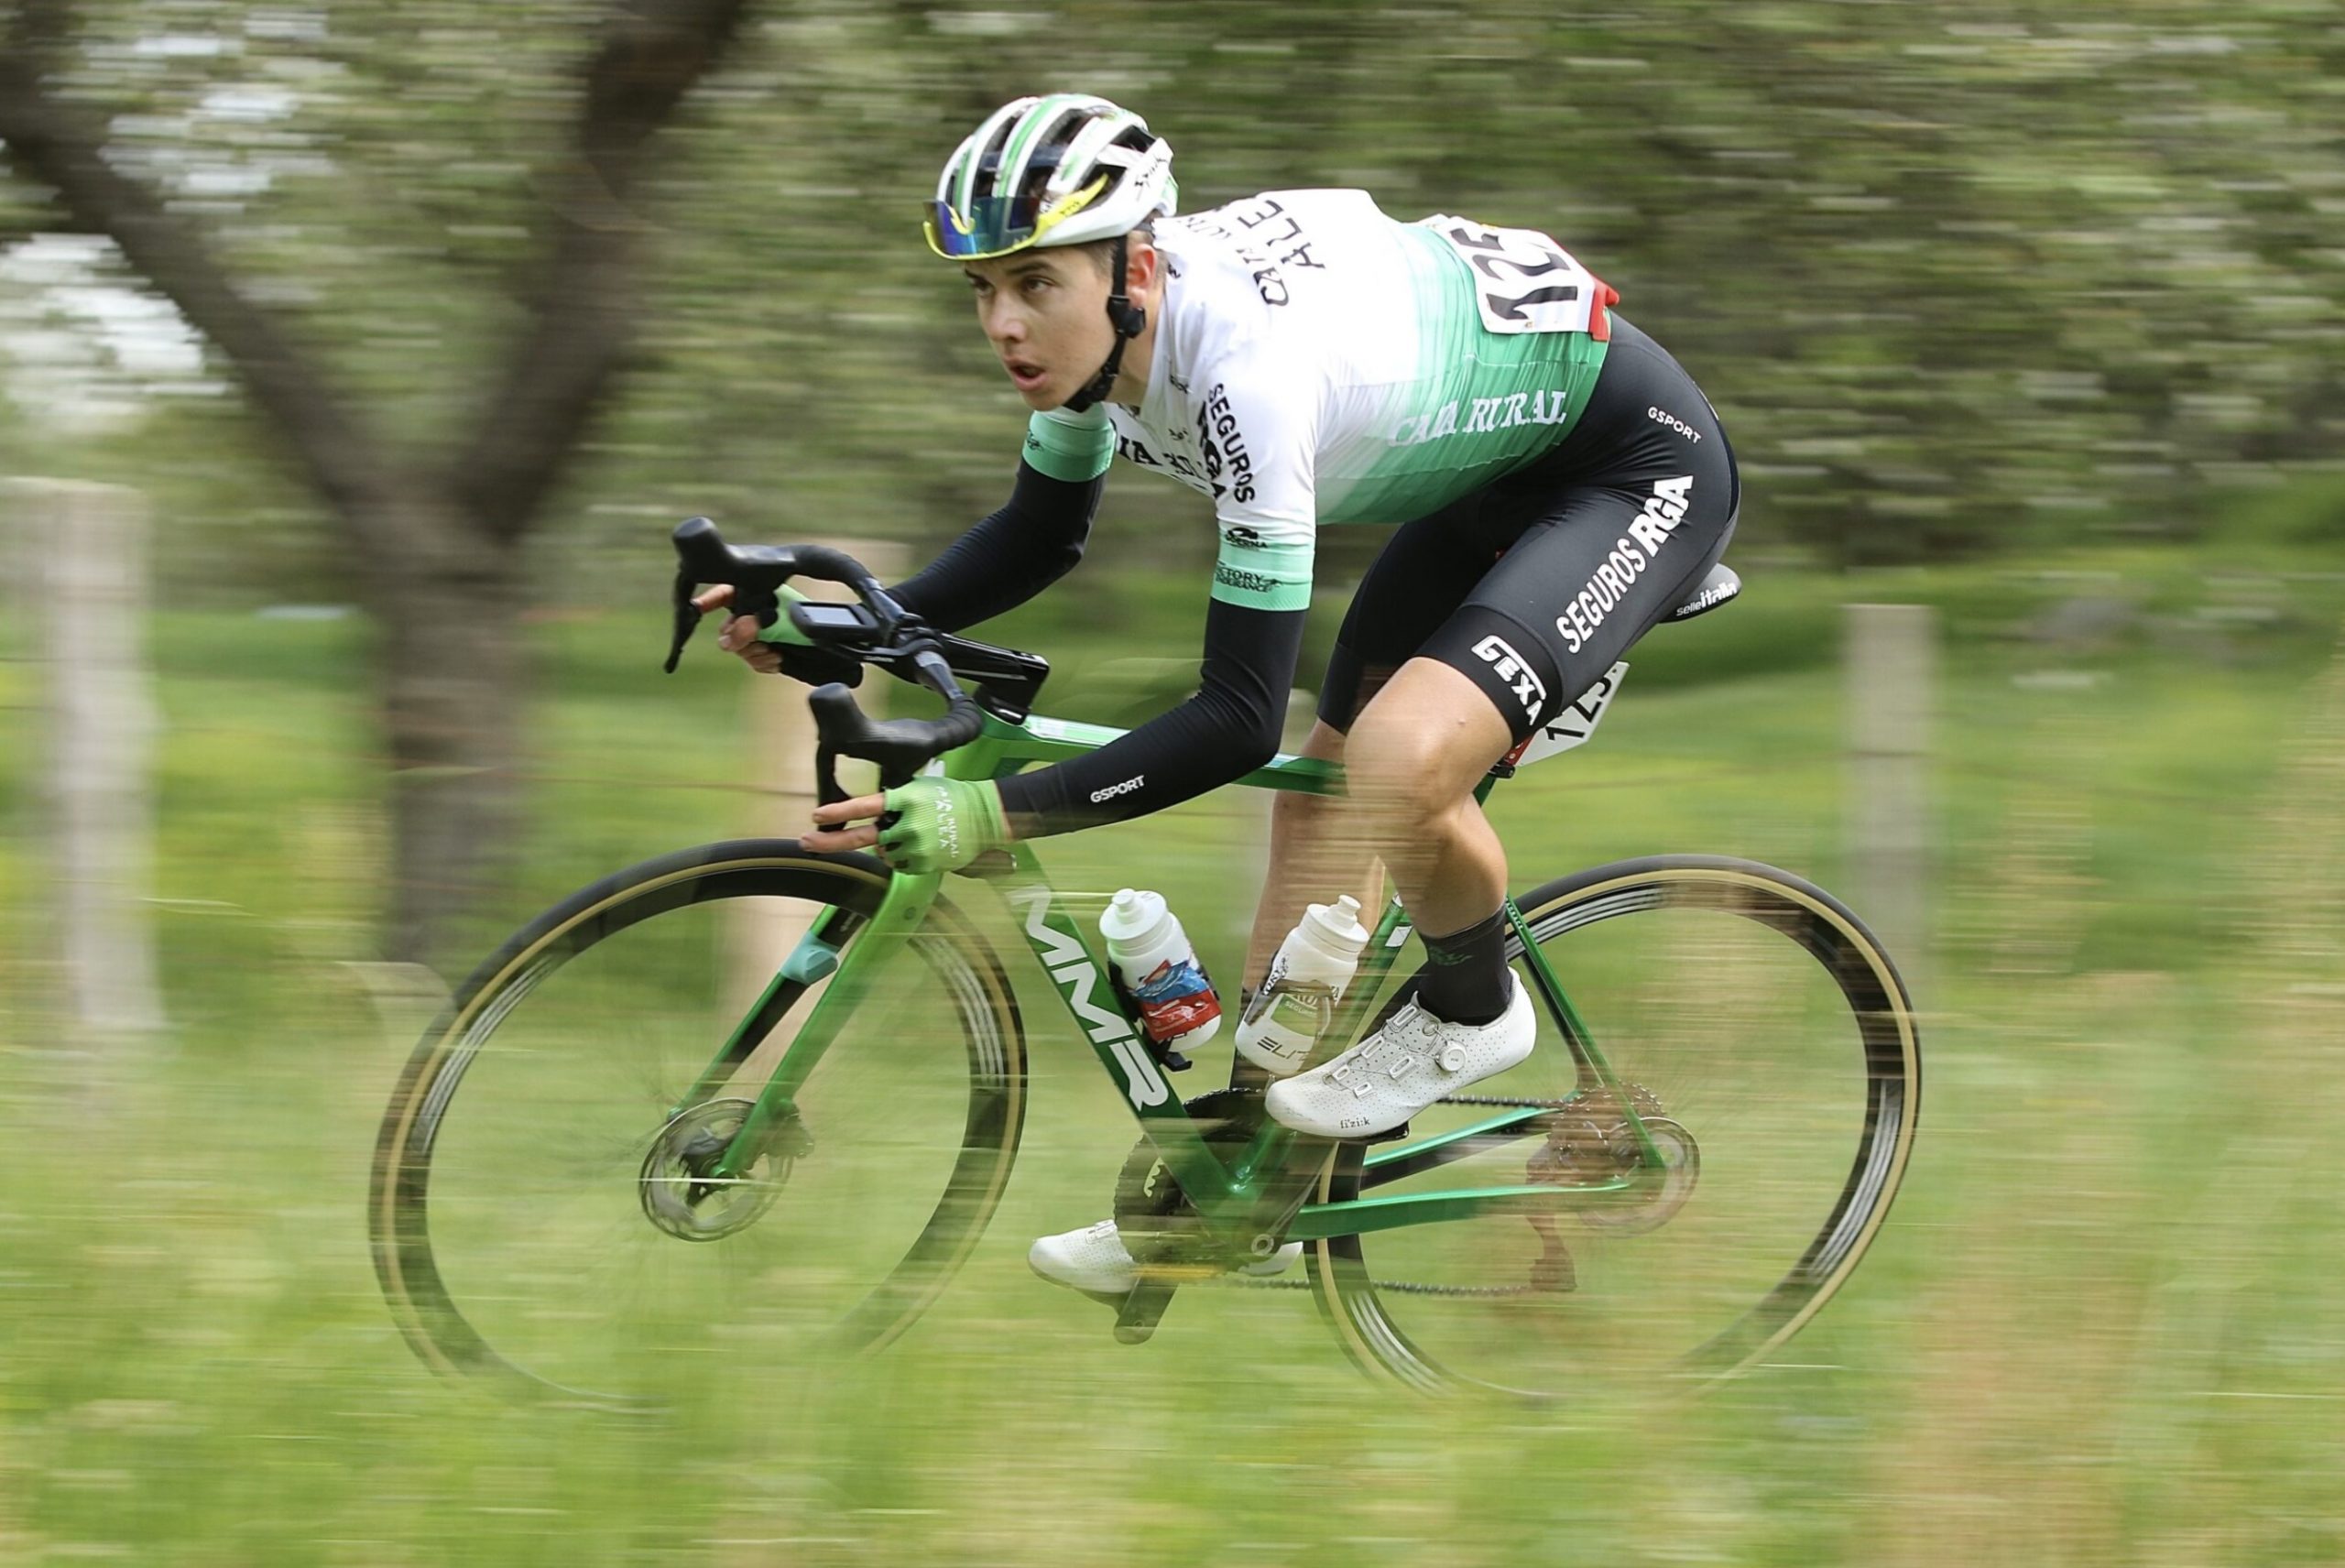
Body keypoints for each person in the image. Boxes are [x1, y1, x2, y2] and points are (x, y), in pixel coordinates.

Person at [698, 93, 1739, 1296]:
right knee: (1320, 808)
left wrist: (999, 812)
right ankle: (1235, 1184)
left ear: (1133, 265)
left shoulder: (1245, 372)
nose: (1002, 323)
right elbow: (1040, 539)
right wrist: (844, 622)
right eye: (982, 288)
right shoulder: (1103, 352)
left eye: (1033, 282)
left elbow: (1233, 719)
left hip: (1626, 464)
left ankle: (1473, 1004)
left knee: (1396, 763)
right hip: (1488, 475)